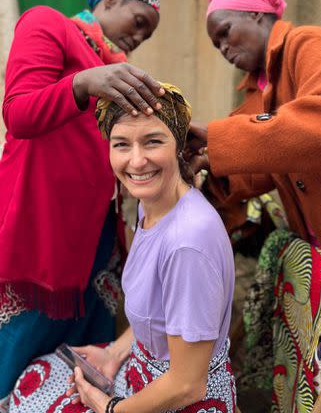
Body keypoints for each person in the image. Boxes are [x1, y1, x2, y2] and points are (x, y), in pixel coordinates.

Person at [0, 0, 164, 405]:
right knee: (13, 361)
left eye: (147, 33)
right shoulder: (48, 24)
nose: (138, 37)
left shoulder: (116, 67)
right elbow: (19, 113)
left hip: (93, 248)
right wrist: (81, 83)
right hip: (43, 237)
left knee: (78, 370)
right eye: (139, 22)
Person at [8, 83, 236, 413]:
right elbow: (161, 320)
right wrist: (114, 353)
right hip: (144, 373)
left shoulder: (188, 243)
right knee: (34, 381)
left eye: (153, 142)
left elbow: (188, 385)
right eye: (121, 145)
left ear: (179, 146)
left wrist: (111, 408)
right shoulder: (152, 204)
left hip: (182, 401)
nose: (137, 160)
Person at [185, 0, 321, 269]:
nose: (224, 49)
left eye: (225, 32)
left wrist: (214, 137)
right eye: (217, 46)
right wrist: (209, 162)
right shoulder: (261, 90)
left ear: (255, 13)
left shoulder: (307, 43)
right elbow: (263, 167)